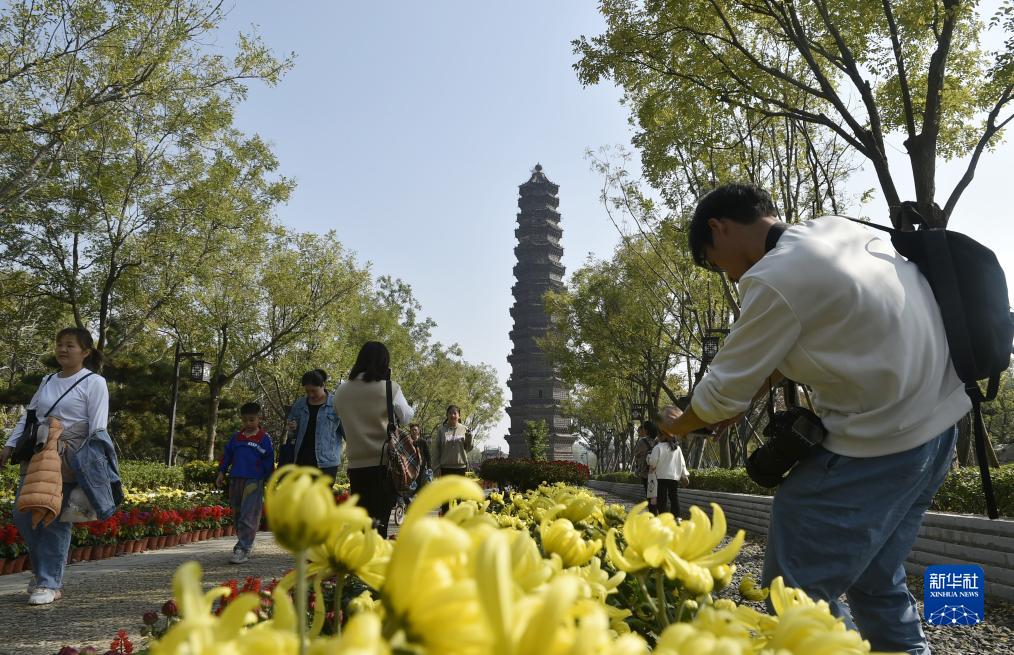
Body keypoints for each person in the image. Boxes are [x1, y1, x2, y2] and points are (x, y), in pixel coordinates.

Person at [659, 183, 970, 655]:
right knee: (874, 576)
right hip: (941, 427)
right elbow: (797, 351)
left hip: (882, 441)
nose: (721, 271)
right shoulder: (838, 230)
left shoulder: (775, 276)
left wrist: (677, 424)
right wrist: (738, 399)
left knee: (795, 582)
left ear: (718, 229)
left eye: (711, 258)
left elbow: (718, 395)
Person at [1, 328, 113, 606]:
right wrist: (9, 445)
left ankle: (49, 582)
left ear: (85, 352)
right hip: (40, 453)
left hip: (69, 457)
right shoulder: (48, 379)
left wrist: (88, 464)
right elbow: (28, 419)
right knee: (23, 513)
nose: (63, 349)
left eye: (70, 345)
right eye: (60, 344)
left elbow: (98, 428)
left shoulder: (94, 382)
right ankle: (43, 573)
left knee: (55, 518)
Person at [333, 342, 414, 538]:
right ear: (384, 364)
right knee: (379, 524)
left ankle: (358, 563)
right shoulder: (389, 388)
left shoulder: (341, 391)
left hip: (356, 466)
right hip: (383, 466)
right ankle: (375, 564)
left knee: (363, 521)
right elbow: (406, 417)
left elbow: (338, 414)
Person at [216, 402, 274, 564]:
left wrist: (267, 478)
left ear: (259, 418)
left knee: (249, 514)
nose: (248, 424)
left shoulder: (264, 439)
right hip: (236, 479)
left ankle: (243, 548)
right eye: (245, 420)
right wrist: (222, 472)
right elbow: (226, 456)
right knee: (238, 513)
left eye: (252, 420)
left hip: (254, 481)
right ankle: (247, 540)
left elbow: (269, 460)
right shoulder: (236, 438)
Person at [286, 369, 344, 483]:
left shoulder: (336, 404)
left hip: (326, 463)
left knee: (321, 499)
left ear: (323, 385)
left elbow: (347, 432)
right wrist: (292, 428)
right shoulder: (299, 405)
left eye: (314, 390)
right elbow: (291, 435)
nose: (311, 394)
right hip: (302, 460)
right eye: (307, 391)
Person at [646, 416, 690, 518]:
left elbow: (652, 463)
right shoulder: (677, 448)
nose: (658, 436)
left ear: (664, 436)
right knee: (674, 497)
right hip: (674, 477)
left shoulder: (658, 447)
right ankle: (677, 517)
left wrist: (648, 459)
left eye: (660, 434)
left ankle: (663, 518)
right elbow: (682, 463)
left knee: (662, 498)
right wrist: (684, 475)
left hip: (661, 477)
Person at [631, 420, 659, 510]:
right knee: (657, 496)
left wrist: (637, 468)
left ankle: (652, 515)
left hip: (646, 473)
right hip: (658, 473)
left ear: (646, 430)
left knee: (650, 496)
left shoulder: (641, 442)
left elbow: (636, 455)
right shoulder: (659, 441)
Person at [408, 423, 432, 490]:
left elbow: (428, 455)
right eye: (412, 430)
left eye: (415, 430)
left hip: (422, 468)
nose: (414, 431)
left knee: (422, 487)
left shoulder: (423, 442)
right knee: (412, 488)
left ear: (418, 431)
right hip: (411, 469)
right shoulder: (408, 442)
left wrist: (429, 467)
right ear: (410, 431)